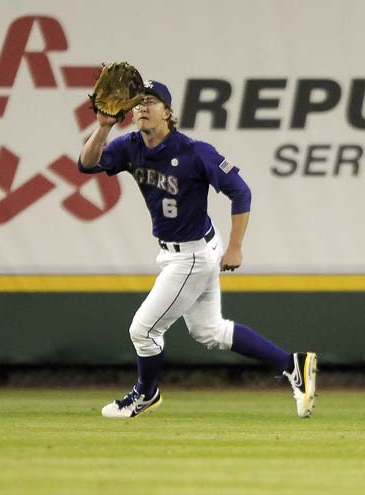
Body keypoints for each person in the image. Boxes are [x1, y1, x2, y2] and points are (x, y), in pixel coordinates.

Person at [78, 78, 317, 419]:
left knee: (143, 330)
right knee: (210, 331)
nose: (143, 107)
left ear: (168, 112)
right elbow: (87, 164)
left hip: (192, 256)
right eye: (139, 103)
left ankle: (145, 394)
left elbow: (241, 191)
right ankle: (293, 365)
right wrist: (102, 128)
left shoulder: (193, 151)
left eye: (152, 101)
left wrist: (235, 247)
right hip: (181, 250)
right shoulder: (131, 146)